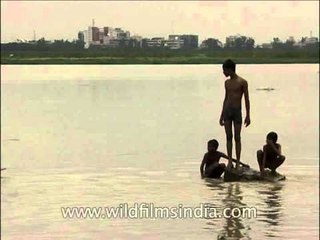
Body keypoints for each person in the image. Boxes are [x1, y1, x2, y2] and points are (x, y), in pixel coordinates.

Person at [219, 59, 251, 171]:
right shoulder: (227, 83)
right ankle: (229, 162)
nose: (223, 73)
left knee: (237, 137)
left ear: (229, 69)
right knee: (228, 137)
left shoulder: (242, 82)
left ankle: (237, 162)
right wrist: (221, 115)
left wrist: (248, 115)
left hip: (237, 111)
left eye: (224, 70)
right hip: (228, 111)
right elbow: (226, 98)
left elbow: (247, 99)